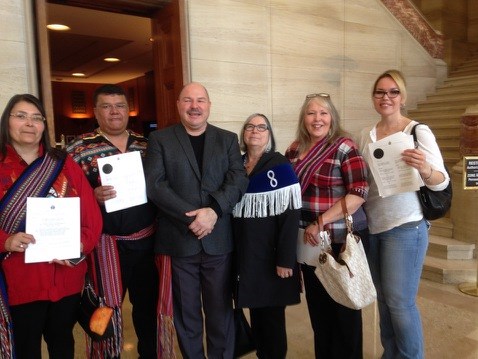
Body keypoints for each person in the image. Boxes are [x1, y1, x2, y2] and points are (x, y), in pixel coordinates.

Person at [144, 82, 249, 358]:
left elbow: (238, 179)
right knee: (186, 315)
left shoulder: (227, 139)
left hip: (219, 241)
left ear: (209, 106)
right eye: (188, 100)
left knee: (220, 313)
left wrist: (213, 211)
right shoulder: (160, 140)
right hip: (179, 242)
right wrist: (191, 218)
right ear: (179, 105)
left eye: (200, 100)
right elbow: (155, 185)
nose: (194, 106)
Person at [0, 94, 102, 358]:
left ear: (44, 125)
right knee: (26, 348)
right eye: (21, 116)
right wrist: (6, 240)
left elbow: (91, 215)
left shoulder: (63, 163)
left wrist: (79, 245)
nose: (29, 124)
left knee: (63, 345)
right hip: (19, 278)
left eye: (36, 118)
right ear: (7, 122)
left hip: (65, 276)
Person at [357, 69, 449, 359]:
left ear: (403, 97)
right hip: (373, 226)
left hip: (406, 226)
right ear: (374, 97)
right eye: (380, 92)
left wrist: (423, 168)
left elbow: (442, 180)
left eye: (393, 91)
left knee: (400, 302)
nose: (386, 97)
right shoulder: (366, 134)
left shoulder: (417, 131)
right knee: (384, 301)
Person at [67, 84, 158, 358]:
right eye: (106, 106)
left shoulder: (147, 144)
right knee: (105, 308)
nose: (114, 112)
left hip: (147, 241)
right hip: (105, 246)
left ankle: (151, 354)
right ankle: (106, 354)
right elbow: (65, 195)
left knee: (148, 308)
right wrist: (91, 195)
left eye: (119, 105)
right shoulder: (78, 148)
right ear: (95, 111)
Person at [285, 93, 369, 359]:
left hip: (336, 243)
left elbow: (357, 193)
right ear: (303, 118)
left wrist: (320, 221)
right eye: (311, 113)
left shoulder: (344, 147)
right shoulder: (295, 150)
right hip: (308, 243)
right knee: (319, 313)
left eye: (323, 113)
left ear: (332, 117)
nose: (317, 118)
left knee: (344, 311)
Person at [232, 113, 302, 358]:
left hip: (272, 258)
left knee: (271, 321)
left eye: (261, 127)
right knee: (257, 317)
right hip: (247, 257)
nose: (255, 131)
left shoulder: (279, 165)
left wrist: (285, 259)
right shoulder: (236, 164)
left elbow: (291, 215)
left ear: (269, 135)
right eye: (250, 126)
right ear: (244, 133)